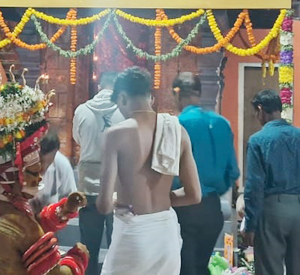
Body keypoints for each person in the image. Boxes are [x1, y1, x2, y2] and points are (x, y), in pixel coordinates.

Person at [0, 80, 89, 275]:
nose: (39, 179)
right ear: (12, 174)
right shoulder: (20, 225)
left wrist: (63, 211)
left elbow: (34, 227)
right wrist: (78, 258)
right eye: (33, 172)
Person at [97, 67, 201, 275]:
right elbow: (194, 195)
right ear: (150, 97)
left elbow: (104, 205)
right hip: (165, 233)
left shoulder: (115, 135)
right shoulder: (178, 131)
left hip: (133, 234)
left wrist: (119, 200)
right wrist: (161, 199)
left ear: (123, 98)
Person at [171, 72, 240, 275]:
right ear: (199, 93)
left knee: (183, 268)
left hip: (183, 209)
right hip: (212, 209)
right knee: (200, 267)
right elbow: (233, 171)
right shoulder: (222, 123)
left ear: (177, 94)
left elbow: (168, 172)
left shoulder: (178, 124)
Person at [241, 90, 300, 274]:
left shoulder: (258, 140)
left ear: (260, 109)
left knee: (269, 269)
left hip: (271, 211)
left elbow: (254, 185)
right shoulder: (298, 136)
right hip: (298, 208)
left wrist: (250, 224)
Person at [72, 71, 122, 275]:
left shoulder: (82, 110)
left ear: (99, 86)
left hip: (88, 182)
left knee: (88, 245)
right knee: (117, 243)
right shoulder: (124, 110)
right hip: (116, 183)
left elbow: (77, 138)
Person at [30, 132, 77, 213]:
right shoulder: (20, 163)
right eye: (40, 162)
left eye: (49, 163)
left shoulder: (62, 163)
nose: (43, 168)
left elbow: (71, 199)